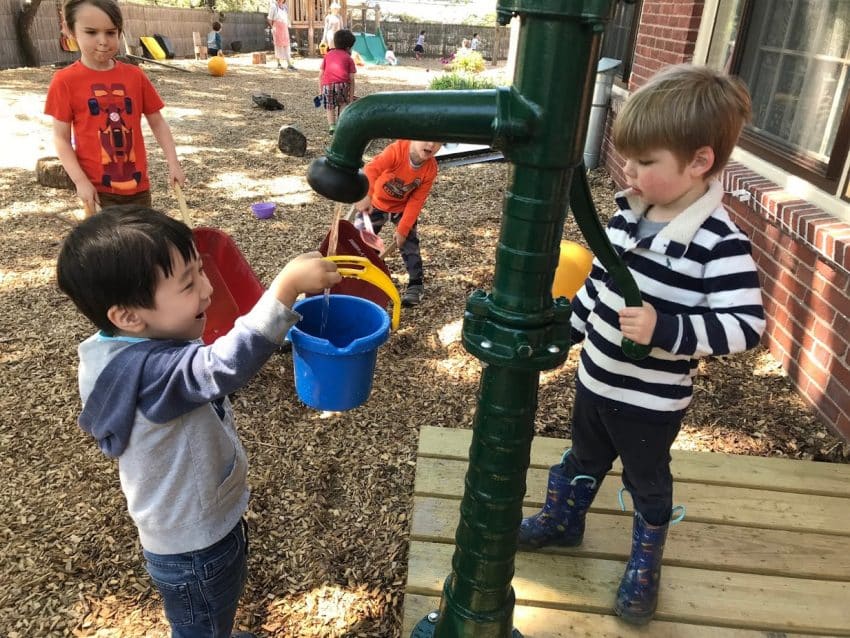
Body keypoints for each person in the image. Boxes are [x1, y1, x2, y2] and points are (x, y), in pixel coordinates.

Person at [518, 64, 765, 625]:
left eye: (646, 162)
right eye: (629, 158)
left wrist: (666, 331)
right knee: (581, 457)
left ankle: (645, 565)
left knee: (647, 482)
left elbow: (745, 327)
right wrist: (570, 332)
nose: (628, 171)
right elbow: (600, 284)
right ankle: (564, 521)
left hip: (650, 405)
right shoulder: (629, 218)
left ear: (699, 162)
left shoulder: (718, 245)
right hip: (595, 381)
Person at [56, 205, 341, 637]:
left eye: (199, 272)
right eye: (188, 284)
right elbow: (224, 365)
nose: (208, 289)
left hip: (191, 533)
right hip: (197, 547)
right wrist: (284, 289)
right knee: (202, 621)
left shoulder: (111, 351)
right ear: (129, 316)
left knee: (209, 617)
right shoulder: (150, 375)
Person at [44, 0, 186, 217]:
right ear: (70, 30)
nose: (103, 41)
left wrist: (173, 163)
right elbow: (61, 139)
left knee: (140, 246)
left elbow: (157, 122)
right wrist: (80, 182)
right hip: (97, 190)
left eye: (111, 32)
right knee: (106, 249)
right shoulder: (64, 81)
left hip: (138, 187)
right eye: (91, 32)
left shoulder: (135, 76)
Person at [354, 139, 442, 307]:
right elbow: (371, 170)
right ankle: (365, 277)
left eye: (438, 143)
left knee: (409, 243)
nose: (431, 145)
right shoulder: (396, 151)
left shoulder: (430, 169)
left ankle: (416, 284)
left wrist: (403, 229)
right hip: (377, 202)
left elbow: (417, 200)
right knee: (360, 240)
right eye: (426, 139)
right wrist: (365, 194)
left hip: (402, 208)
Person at [319, 29, 356, 135]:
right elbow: (351, 79)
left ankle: (332, 126)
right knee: (343, 104)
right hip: (342, 84)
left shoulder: (328, 55)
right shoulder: (349, 58)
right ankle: (341, 124)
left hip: (327, 85)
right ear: (348, 48)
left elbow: (320, 74)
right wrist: (350, 96)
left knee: (329, 107)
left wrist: (320, 91)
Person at [267, 0, 295, 70]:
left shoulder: (285, 7)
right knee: (278, 45)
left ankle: (289, 64)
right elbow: (269, 19)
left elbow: (286, 18)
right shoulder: (273, 6)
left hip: (284, 27)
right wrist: (273, 27)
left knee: (287, 45)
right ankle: (278, 63)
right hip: (277, 27)